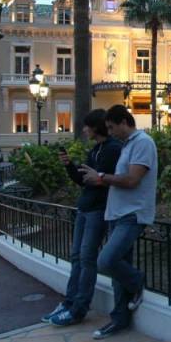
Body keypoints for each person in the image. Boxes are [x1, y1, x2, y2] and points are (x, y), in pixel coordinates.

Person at [80, 105, 157, 340]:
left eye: (112, 127)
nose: (110, 132)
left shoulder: (143, 143)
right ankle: (119, 318)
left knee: (106, 260)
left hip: (132, 215)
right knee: (116, 272)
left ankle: (137, 280)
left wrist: (101, 177)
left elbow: (133, 179)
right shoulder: (128, 146)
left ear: (124, 122)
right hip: (117, 213)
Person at [41, 109, 122, 326]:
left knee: (87, 258)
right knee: (76, 256)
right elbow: (84, 179)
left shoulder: (113, 149)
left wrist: (94, 177)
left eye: (87, 126)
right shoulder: (95, 150)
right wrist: (69, 165)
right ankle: (69, 303)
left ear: (96, 127)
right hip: (85, 208)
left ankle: (79, 308)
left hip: (98, 210)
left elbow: (99, 180)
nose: (84, 130)